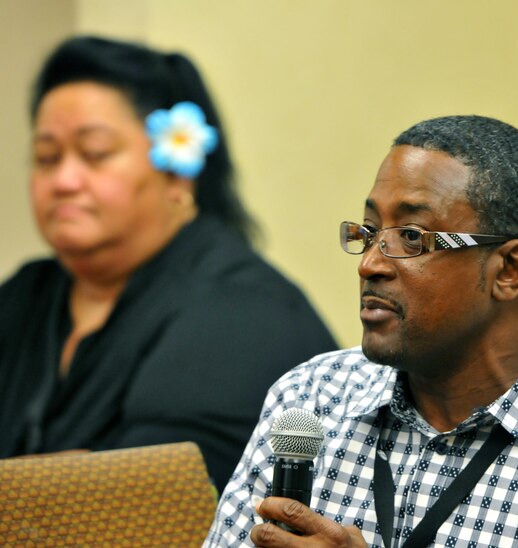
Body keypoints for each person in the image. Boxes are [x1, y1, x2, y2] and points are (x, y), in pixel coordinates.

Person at [205, 115, 518, 547]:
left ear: (509, 269)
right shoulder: (312, 399)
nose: (371, 264)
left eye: (411, 237)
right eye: (368, 231)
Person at [0, 36, 337, 492]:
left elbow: (137, 503)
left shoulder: (241, 312)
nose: (63, 180)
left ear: (178, 170)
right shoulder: (27, 293)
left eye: (94, 153)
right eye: (46, 158)